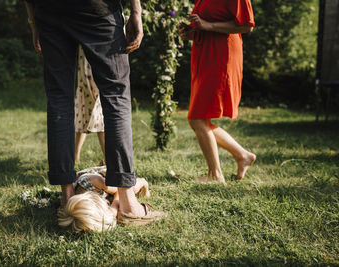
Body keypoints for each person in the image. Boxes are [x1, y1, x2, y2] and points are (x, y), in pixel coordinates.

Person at [23, 0, 164, 223]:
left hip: (48, 9)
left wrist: (34, 22)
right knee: (116, 95)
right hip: (97, 8)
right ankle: (127, 203)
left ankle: (67, 198)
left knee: (59, 98)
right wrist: (136, 11)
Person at [178, 0, 257, 185]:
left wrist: (207, 25)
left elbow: (246, 25)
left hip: (221, 56)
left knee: (197, 118)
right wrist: (190, 33)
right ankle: (242, 155)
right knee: (200, 118)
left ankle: (215, 174)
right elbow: (207, 25)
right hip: (205, 54)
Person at [58, 166, 151, 232]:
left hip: (102, 178)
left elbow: (119, 190)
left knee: (129, 190)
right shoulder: (73, 209)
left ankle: (143, 182)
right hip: (98, 190)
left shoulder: (94, 182)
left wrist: (114, 207)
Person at [75, 45, 105, 164]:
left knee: (94, 103)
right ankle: (109, 160)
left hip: (92, 49)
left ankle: (75, 157)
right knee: (95, 103)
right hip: (94, 50)